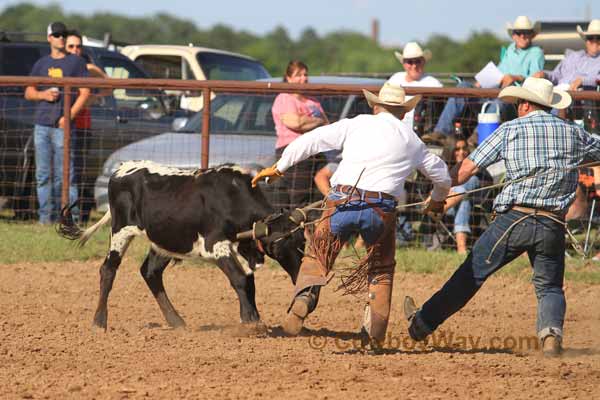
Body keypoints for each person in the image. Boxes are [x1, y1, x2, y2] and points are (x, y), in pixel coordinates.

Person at [404, 77, 600, 357]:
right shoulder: (572, 132)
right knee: (550, 287)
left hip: (514, 220)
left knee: (470, 274)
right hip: (552, 223)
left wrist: (438, 196)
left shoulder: (510, 130)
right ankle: (550, 336)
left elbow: (466, 170)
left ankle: (422, 324)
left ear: (524, 105)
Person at [253, 82, 451, 351]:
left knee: (318, 257)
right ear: (403, 113)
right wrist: (437, 201)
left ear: (375, 105)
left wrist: (280, 166)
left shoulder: (356, 123)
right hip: (380, 210)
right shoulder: (411, 139)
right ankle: (374, 336)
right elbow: (442, 175)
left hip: (341, 201)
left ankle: (306, 297)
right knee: (381, 271)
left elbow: (312, 140)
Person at [434, 16, 545, 136]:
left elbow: (535, 80)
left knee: (500, 99)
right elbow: (498, 72)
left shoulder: (536, 52)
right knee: (463, 86)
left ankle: (478, 137)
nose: (522, 36)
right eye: (519, 32)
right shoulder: (510, 49)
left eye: (526, 32)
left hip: (513, 100)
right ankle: (440, 132)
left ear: (532, 34)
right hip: (494, 93)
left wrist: (515, 77)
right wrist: (481, 81)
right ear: (514, 35)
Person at [24, 22, 90, 224]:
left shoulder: (76, 63)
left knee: (66, 176)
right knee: (43, 175)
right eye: (56, 34)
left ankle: (70, 220)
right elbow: (28, 91)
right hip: (41, 125)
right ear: (49, 38)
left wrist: (68, 117)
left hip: (63, 127)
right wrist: (43, 93)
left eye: (63, 34)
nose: (61, 38)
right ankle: (46, 220)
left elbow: (85, 93)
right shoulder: (41, 63)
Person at [65, 30, 110, 223]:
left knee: (79, 172)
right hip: (61, 124)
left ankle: (80, 214)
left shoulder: (86, 68)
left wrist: (92, 98)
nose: (75, 50)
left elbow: (108, 86)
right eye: (71, 46)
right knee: (62, 172)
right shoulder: (61, 66)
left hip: (82, 126)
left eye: (78, 46)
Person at [271, 60, 329, 209]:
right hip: (294, 151)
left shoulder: (313, 100)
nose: (303, 78)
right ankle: (297, 228)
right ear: (288, 78)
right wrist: (317, 121)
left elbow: (327, 125)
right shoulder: (284, 98)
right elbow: (296, 123)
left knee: (316, 193)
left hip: (315, 151)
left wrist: (308, 121)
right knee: (300, 195)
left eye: (305, 74)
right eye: (298, 75)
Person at [388, 42, 443, 132]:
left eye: (417, 61)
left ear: (423, 62)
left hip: (421, 129)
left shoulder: (433, 83)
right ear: (404, 64)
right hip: (394, 125)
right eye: (410, 62)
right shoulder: (395, 78)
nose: (414, 66)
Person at [439, 138, 481, 254]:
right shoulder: (443, 168)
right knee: (464, 198)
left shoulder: (476, 164)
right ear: (451, 151)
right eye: (457, 149)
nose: (461, 152)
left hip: (469, 204)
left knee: (470, 182)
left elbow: (487, 182)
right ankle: (461, 248)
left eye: (464, 148)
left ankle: (439, 209)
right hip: (450, 208)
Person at [534, 19, 600, 91]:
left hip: (581, 97)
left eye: (598, 38)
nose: (594, 41)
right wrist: (544, 74)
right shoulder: (573, 56)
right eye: (590, 38)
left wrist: (583, 81)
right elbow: (556, 75)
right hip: (559, 91)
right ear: (586, 40)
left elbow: (598, 79)